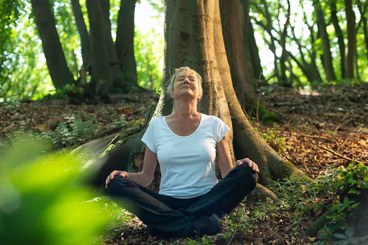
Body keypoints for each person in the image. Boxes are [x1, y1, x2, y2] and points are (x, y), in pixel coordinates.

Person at [105, 66, 259, 237]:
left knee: (248, 173)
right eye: (181, 78)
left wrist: (240, 165)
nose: (186, 80)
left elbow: (226, 172)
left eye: (192, 79)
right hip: (167, 202)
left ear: (199, 92)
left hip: (207, 198)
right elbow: (146, 177)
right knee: (115, 184)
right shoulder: (157, 126)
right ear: (171, 92)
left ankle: (170, 224)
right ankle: (196, 224)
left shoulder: (214, 124)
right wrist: (124, 175)